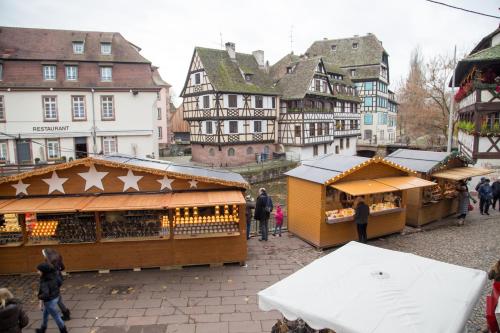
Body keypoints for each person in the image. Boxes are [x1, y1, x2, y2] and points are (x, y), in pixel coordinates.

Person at [36, 262, 67, 333]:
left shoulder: (44, 282)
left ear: (43, 271)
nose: (37, 272)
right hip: (56, 296)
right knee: (45, 314)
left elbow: (45, 294)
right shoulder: (54, 275)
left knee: (56, 317)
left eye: (39, 270)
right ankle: (43, 329)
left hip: (49, 301)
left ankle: (64, 331)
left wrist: (39, 297)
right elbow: (60, 282)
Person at [42, 248, 70, 321]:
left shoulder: (48, 262)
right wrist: (58, 271)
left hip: (52, 282)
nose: (43, 255)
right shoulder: (57, 258)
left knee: (57, 299)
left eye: (44, 254)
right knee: (57, 297)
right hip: (58, 280)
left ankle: (66, 313)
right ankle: (65, 312)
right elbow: (63, 268)